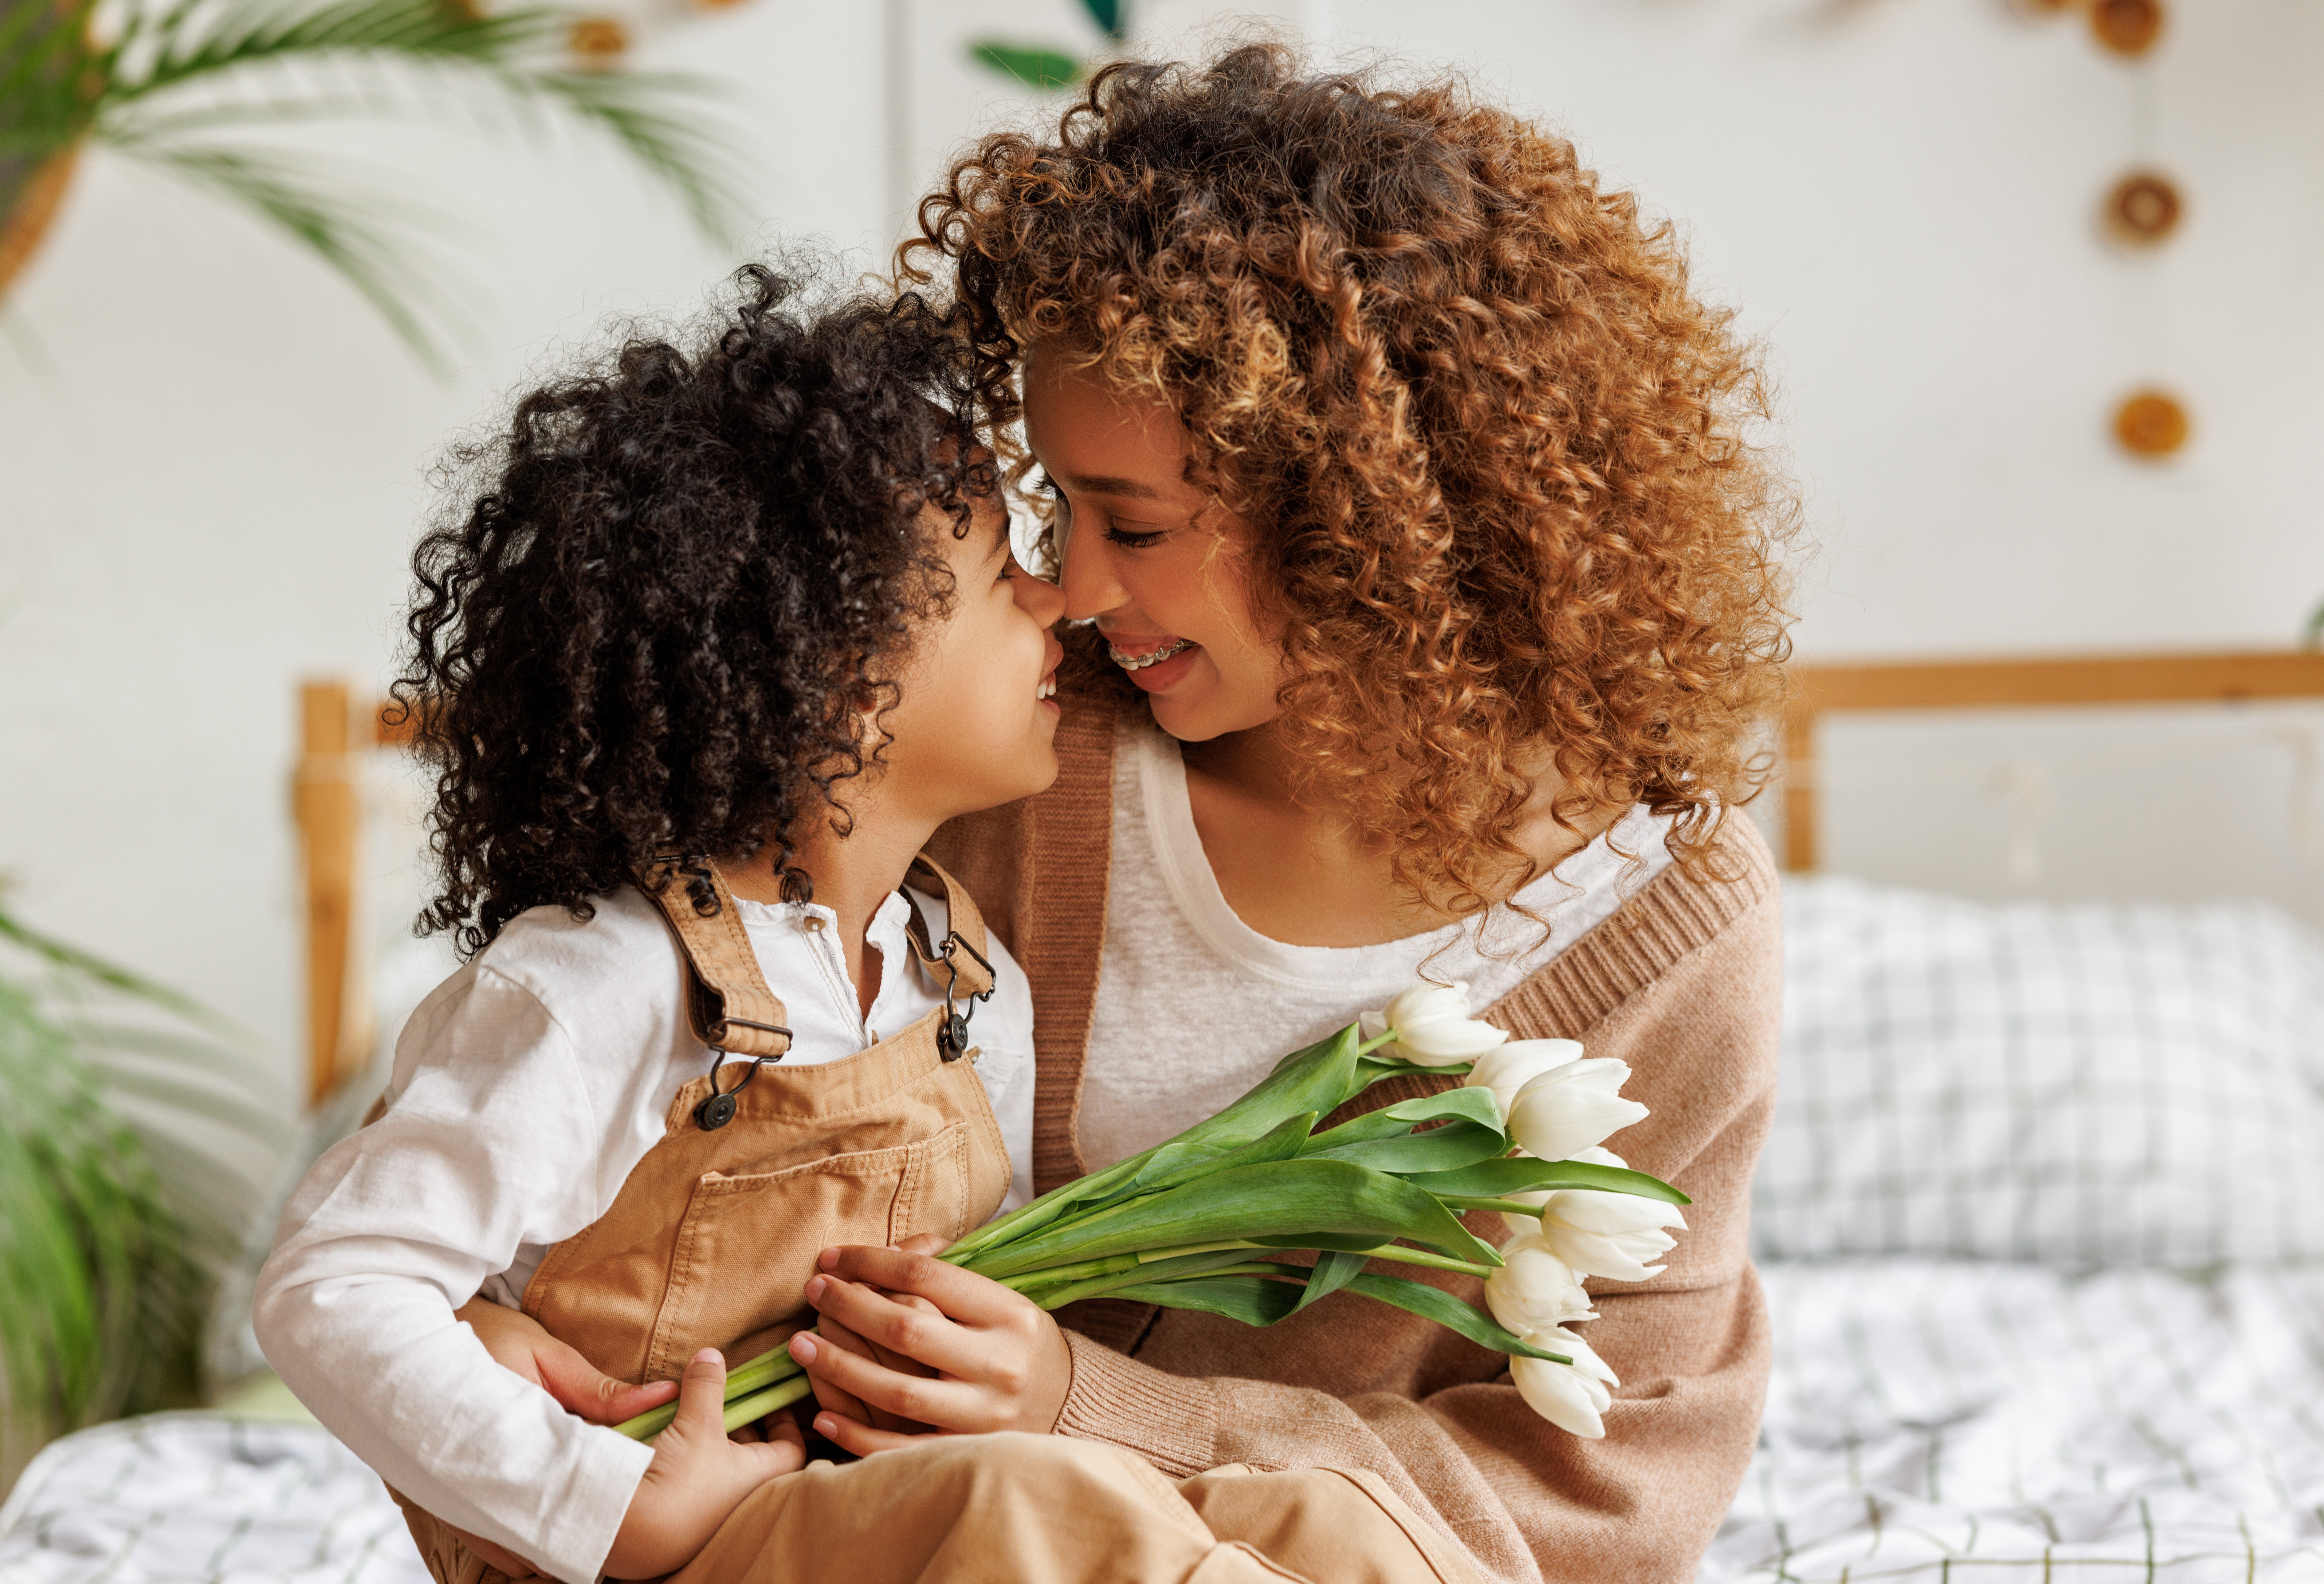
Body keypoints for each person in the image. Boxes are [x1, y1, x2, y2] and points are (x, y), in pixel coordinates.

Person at [446, 44, 1795, 1584]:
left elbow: (1606, 1491)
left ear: (1379, 513)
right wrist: (475, 1323)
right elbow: (562, 1094)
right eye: (1055, 511)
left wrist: (1093, 1404)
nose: (1075, 592)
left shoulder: (1662, 923)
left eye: (1134, 524)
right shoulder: (996, 758)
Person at [250, 267, 1070, 1584]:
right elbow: (334, 1286)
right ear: (840, 682)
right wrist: (609, 1505)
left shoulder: (965, 982)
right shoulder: (604, 984)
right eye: (1000, 576)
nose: (1058, 599)